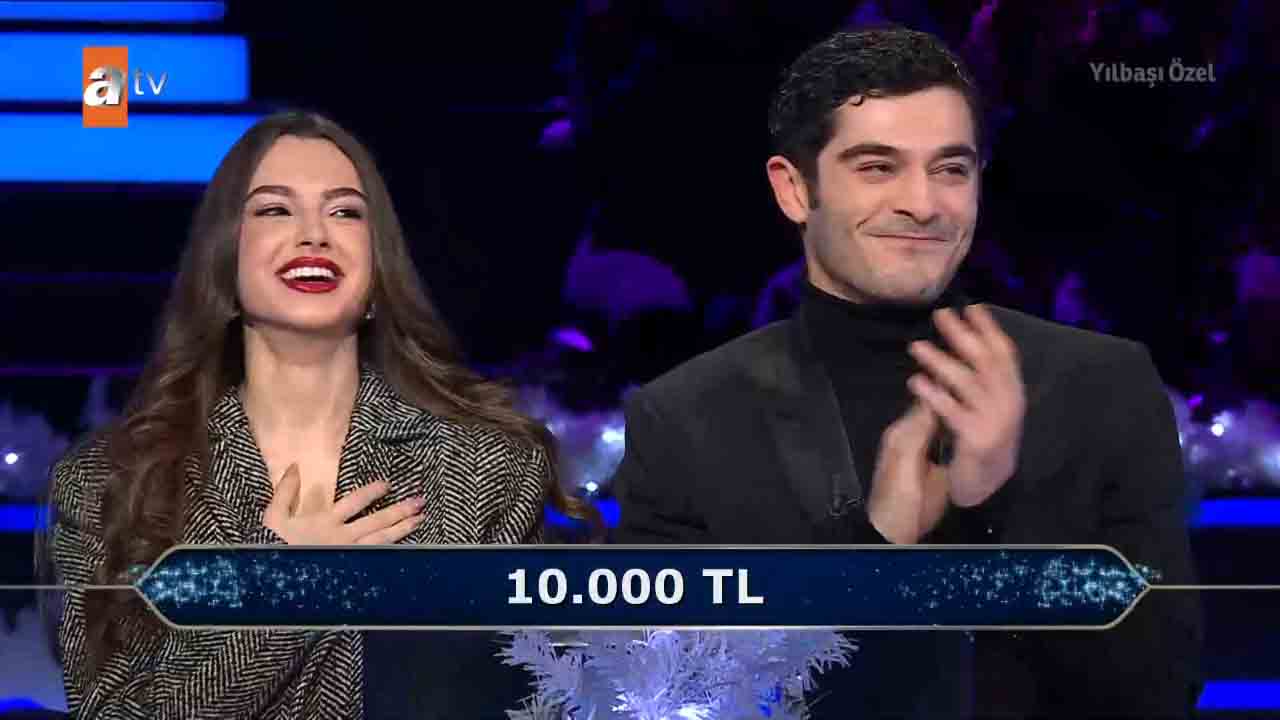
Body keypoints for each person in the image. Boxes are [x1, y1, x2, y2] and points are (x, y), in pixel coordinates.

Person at [612, 27, 1202, 719]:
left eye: (951, 169)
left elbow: (1159, 690)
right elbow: (666, 701)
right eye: (877, 168)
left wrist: (994, 511)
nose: (923, 203)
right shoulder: (689, 419)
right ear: (794, 190)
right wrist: (879, 552)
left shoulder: (1103, 386)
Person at [43, 110, 596, 718]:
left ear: (379, 265)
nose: (314, 234)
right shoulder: (113, 480)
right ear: (223, 257)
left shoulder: (486, 467)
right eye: (275, 210)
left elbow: (532, 697)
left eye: (345, 212)